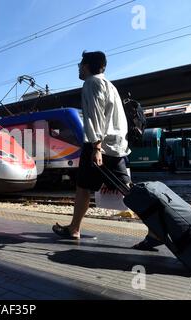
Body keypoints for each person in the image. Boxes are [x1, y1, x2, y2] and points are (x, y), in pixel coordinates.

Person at [52, 51, 132, 240]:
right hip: (116, 146)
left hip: (99, 145)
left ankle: (74, 229)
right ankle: (155, 229)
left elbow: (94, 117)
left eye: (80, 64)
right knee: (127, 191)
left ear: (86, 66)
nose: (79, 68)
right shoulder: (110, 85)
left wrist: (96, 148)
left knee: (83, 188)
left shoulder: (91, 83)